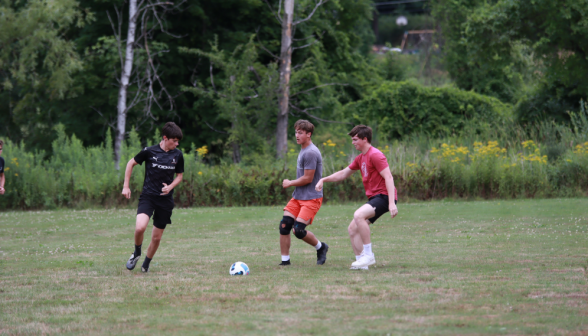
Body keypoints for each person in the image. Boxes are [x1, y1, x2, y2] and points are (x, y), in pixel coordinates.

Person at [315, 125, 398, 270]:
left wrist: (391, 203)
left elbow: (389, 177)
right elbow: (343, 173)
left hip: (384, 197)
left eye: (355, 140)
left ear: (365, 139)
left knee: (358, 215)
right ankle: (361, 263)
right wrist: (323, 180)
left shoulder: (375, 155)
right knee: (352, 229)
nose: (353, 143)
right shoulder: (361, 158)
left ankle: (368, 255)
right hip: (374, 198)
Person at [122, 122, 184, 273]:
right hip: (148, 197)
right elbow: (131, 163)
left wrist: (170, 187)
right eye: (174, 141)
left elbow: (179, 176)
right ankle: (137, 252)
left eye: (178, 141)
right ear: (165, 138)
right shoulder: (149, 151)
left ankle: (146, 264)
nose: (176, 144)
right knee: (140, 227)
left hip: (165, 201)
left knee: (156, 238)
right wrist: (126, 186)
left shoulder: (178, 155)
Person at [279, 120, 329, 266]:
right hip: (298, 197)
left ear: (309, 134)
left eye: (300, 132)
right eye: (296, 132)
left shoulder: (311, 153)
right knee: (285, 225)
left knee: (298, 230)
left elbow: (308, 178)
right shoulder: (303, 149)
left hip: (311, 198)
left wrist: (290, 183)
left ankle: (321, 247)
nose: (297, 135)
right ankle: (285, 261)